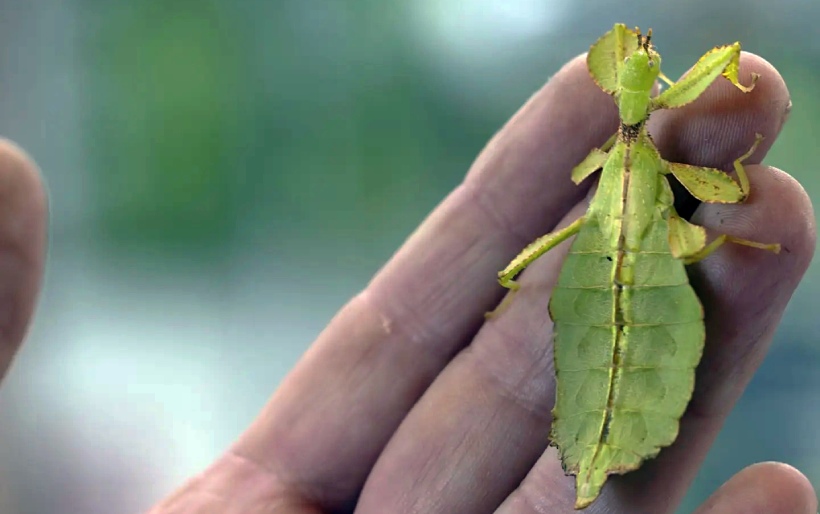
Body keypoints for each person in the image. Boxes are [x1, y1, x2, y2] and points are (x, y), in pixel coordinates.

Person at [1, 52, 816, 514]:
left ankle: (600, 445)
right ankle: (599, 447)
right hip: (627, 274)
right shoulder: (627, 155)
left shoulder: (615, 158)